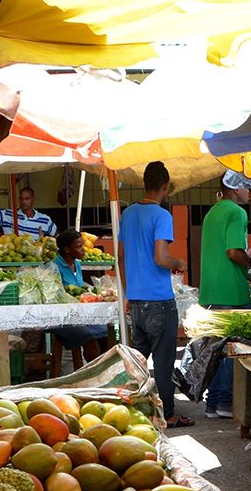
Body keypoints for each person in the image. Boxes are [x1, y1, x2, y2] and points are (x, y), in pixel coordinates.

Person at [119, 161, 189, 426]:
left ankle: (134, 410)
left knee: (137, 363)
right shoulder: (162, 216)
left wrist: (127, 292)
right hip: (159, 302)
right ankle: (168, 414)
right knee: (162, 362)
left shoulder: (128, 214)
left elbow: (121, 255)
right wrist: (178, 263)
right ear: (165, 187)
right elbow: (161, 258)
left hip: (135, 300)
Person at [197, 186, 251, 418]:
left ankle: (213, 404)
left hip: (210, 289)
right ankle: (226, 402)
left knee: (215, 350)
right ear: (234, 187)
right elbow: (233, 251)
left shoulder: (213, 212)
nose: (249, 191)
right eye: (246, 186)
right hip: (231, 290)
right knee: (233, 350)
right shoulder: (237, 213)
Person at [51, 228, 110, 359]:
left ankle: (105, 366)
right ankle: (93, 371)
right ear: (67, 249)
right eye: (79, 247)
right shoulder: (54, 266)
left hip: (80, 312)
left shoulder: (76, 263)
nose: (83, 249)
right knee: (90, 337)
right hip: (63, 316)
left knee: (106, 331)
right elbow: (57, 294)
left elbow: (79, 286)